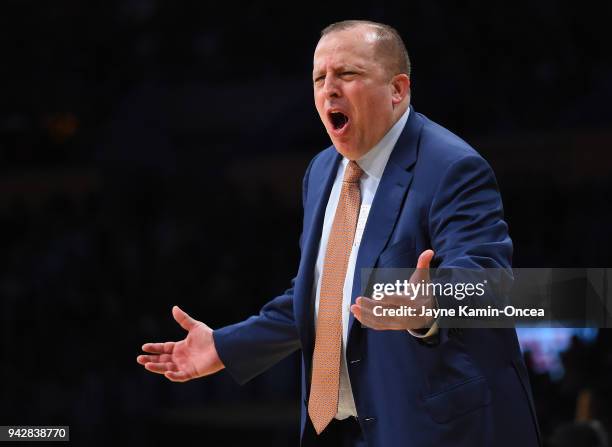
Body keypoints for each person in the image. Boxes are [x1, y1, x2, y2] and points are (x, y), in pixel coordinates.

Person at [137, 20, 541, 446]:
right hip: (342, 430)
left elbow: (490, 284)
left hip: (441, 429)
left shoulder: (452, 167)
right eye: (319, 77)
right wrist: (224, 346)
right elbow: (318, 296)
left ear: (397, 90)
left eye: (347, 74)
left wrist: (430, 305)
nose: (328, 88)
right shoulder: (321, 171)